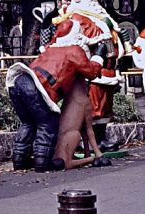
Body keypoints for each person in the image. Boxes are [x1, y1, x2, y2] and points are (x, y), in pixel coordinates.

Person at [9, 28, 110, 171]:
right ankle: (42, 162)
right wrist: (99, 55)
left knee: (28, 123)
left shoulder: (50, 49)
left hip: (19, 81)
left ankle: (19, 160)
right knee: (48, 123)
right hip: (38, 87)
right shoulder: (74, 50)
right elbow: (91, 72)